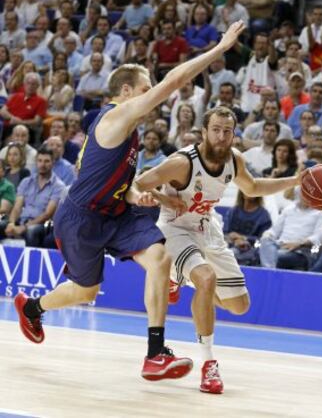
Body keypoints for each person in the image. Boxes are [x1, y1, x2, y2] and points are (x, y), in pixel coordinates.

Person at [14, 21, 247, 382]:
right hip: (81, 218)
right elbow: (174, 84)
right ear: (127, 90)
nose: (150, 94)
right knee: (85, 290)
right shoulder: (117, 115)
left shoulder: (128, 128)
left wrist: (146, 194)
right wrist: (219, 50)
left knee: (159, 257)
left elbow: (120, 179)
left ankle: (155, 353)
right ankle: (31, 307)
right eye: (144, 88)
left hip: (116, 212)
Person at [134, 106, 300, 394]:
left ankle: (180, 281)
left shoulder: (234, 160)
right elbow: (138, 182)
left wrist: (295, 180)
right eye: (216, 130)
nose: (222, 137)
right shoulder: (182, 162)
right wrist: (163, 198)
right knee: (207, 279)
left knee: (239, 305)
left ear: (234, 134)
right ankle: (209, 364)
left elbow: (254, 187)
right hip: (175, 230)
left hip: (207, 229)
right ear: (204, 132)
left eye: (227, 131)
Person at [0, 147, 65, 247]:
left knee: (31, 231)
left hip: (41, 225)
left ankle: (32, 262)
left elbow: (47, 214)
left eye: (46, 161)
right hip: (21, 221)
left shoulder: (58, 186)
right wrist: (11, 223)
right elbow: (17, 207)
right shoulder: (27, 181)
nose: (42, 164)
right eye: (39, 161)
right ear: (36, 162)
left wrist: (24, 227)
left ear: (53, 163)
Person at [259, 192, 322, 270]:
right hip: (280, 245)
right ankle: (270, 272)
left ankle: (268, 274)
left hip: (300, 251)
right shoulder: (288, 209)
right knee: (265, 242)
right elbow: (274, 231)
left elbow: (321, 236)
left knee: (273, 256)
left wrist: (299, 244)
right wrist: (267, 234)